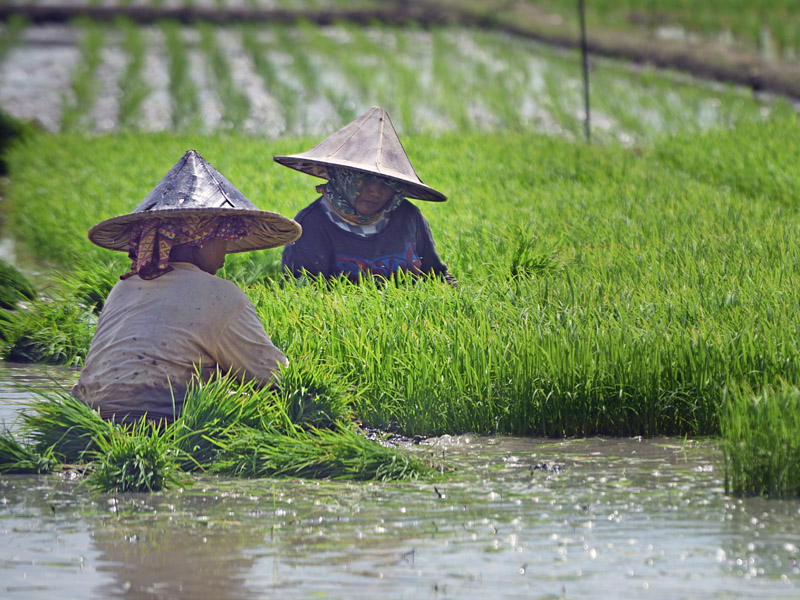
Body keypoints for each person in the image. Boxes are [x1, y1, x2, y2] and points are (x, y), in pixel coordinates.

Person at [71, 150, 301, 424]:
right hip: (163, 421)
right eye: (222, 241)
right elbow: (271, 375)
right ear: (201, 241)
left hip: (89, 418)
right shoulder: (221, 295)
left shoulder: (123, 288)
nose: (225, 256)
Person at [275, 106, 457, 285]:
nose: (375, 191)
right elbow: (303, 295)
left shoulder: (409, 217)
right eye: (365, 179)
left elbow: (436, 277)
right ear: (341, 176)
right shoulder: (311, 225)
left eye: (386, 183)